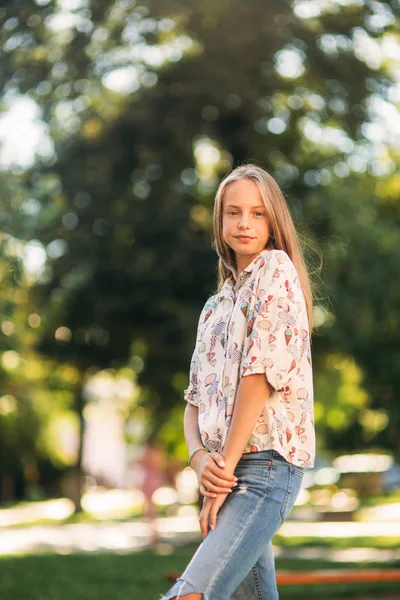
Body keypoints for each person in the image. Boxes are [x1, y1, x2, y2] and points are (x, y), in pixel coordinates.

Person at [161, 164, 316, 600]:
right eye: (233, 212)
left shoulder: (276, 271)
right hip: (225, 470)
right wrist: (198, 461)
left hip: (265, 466)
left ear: (273, 222)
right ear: (220, 221)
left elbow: (259, 378)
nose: (244, 222)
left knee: (188, 595)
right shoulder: (214, 306)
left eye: (258, 213)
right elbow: (193, 401)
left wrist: (223, 470)